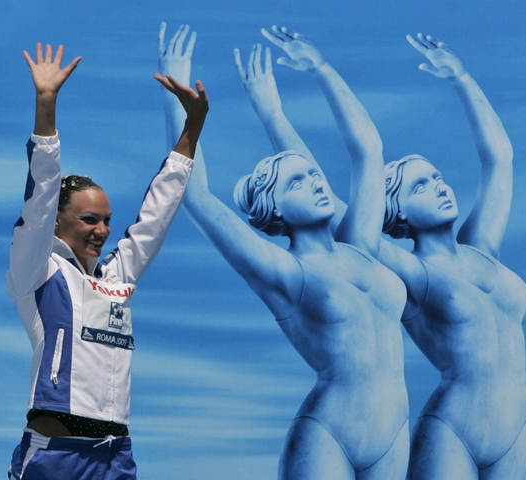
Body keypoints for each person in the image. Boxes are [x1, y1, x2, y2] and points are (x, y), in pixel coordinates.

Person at [158, 23, 409, 479]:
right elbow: (194, 196)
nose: (317, 184)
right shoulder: (284, 272)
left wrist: (311, 77)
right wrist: (181, 103)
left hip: (394, 436)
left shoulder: (360, 247)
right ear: (272, 207)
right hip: (327, 436)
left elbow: (369, 153)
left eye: (315, 177)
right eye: (298, 181)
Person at [6, 42, 208, 479]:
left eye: (107, 222)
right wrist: (46, 105)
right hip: (55, 454)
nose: (101, 230)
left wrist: (193, 128)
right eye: (88, 219)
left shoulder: (117, 275)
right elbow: (40, 196)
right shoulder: (36, 270)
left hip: (116, 454)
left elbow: (157, 214)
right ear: (57, 223)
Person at [375, 34, 526, 479]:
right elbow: (354, 226)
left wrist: (462, 79)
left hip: (516, 426)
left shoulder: (481, 247)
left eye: (438, 177)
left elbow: (499, 159)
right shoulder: (411, 273)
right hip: (452, 431)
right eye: (420, 186)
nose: (440, 186)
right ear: (396, 210)